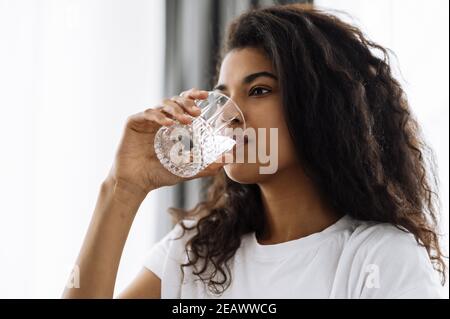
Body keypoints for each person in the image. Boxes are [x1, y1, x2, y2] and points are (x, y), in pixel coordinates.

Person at [63, 4, 445, 299]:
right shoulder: (195, 251)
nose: (229, 115)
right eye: (222, 97)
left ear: (319, 107)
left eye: (259, 90)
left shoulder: (381, 257)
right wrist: (122, 188)